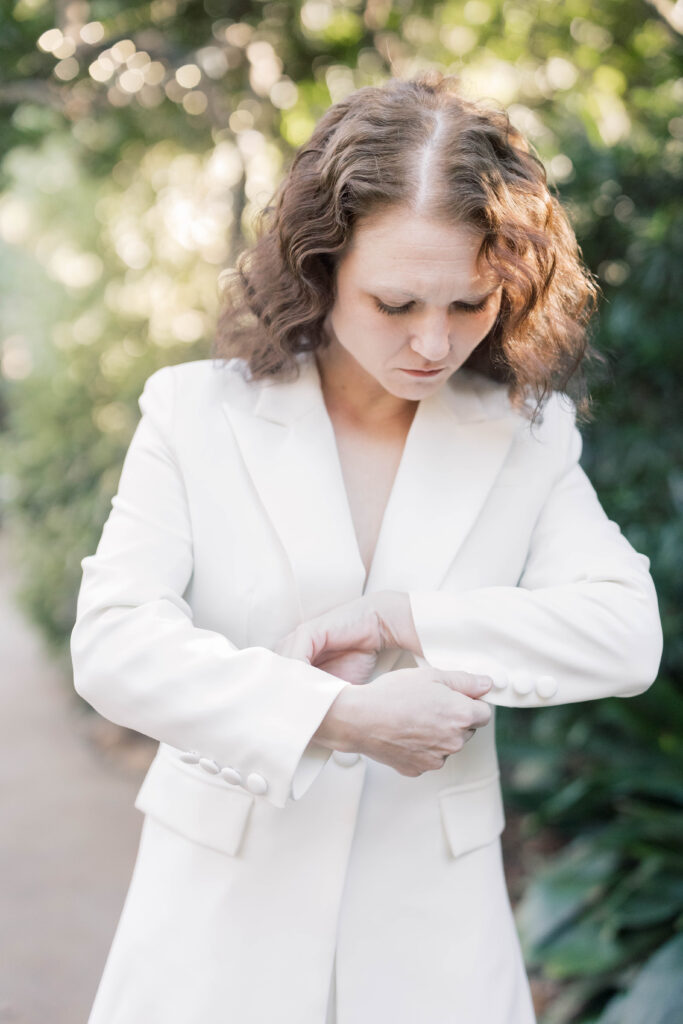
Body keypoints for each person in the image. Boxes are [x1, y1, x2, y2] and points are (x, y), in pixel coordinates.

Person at [70, 72, 663, 1024]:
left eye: (470, 306)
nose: (434, 343)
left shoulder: (525, 433)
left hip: (431, 936)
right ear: (320, 269)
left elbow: (624, 636)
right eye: (395, 305)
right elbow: (115, 646)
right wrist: (331, 719)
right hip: (220, 924)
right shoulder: (195, 413)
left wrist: (403, 619)